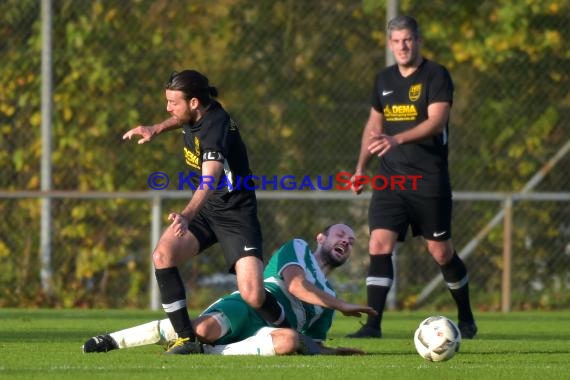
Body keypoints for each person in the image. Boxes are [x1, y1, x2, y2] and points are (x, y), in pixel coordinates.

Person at [122, 70, 287, 354]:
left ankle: (293, 330)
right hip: (208, 210)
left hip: (236, 215)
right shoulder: (195, 115)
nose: (168, 108)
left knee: (253, 295)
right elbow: (179, 120)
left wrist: (186, 215)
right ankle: (186, 338)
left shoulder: (216, 128)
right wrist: (156, 128)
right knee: (163, 255)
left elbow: (210, 179)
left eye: (173, 102)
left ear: (195, 102)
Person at [346, 15, 477, 339]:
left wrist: (397, 139)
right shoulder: (384, 79)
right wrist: (361, 168)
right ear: (390, 45)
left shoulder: (436, 75)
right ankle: (373, 325)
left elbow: (437, 120)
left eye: (408, 40)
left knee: (440, 252)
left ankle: (466, 315)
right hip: (391, 180)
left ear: (417, 41)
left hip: (429, 179)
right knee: (378, 243)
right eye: (396, 41)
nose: (402, 46)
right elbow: (373, 127)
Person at [82, 224, 376, 355]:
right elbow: (297, 286)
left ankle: (212, 353)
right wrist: (341, 304)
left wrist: (336, 352)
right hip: (252, 307)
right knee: (201, 330)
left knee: (288, 343)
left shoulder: (329, 294)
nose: (346, 242)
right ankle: (112, 340)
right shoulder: (298, 248)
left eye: (351, 242)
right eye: (341, 234)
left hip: (272, 332)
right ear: (322, 237)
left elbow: (308, 343)